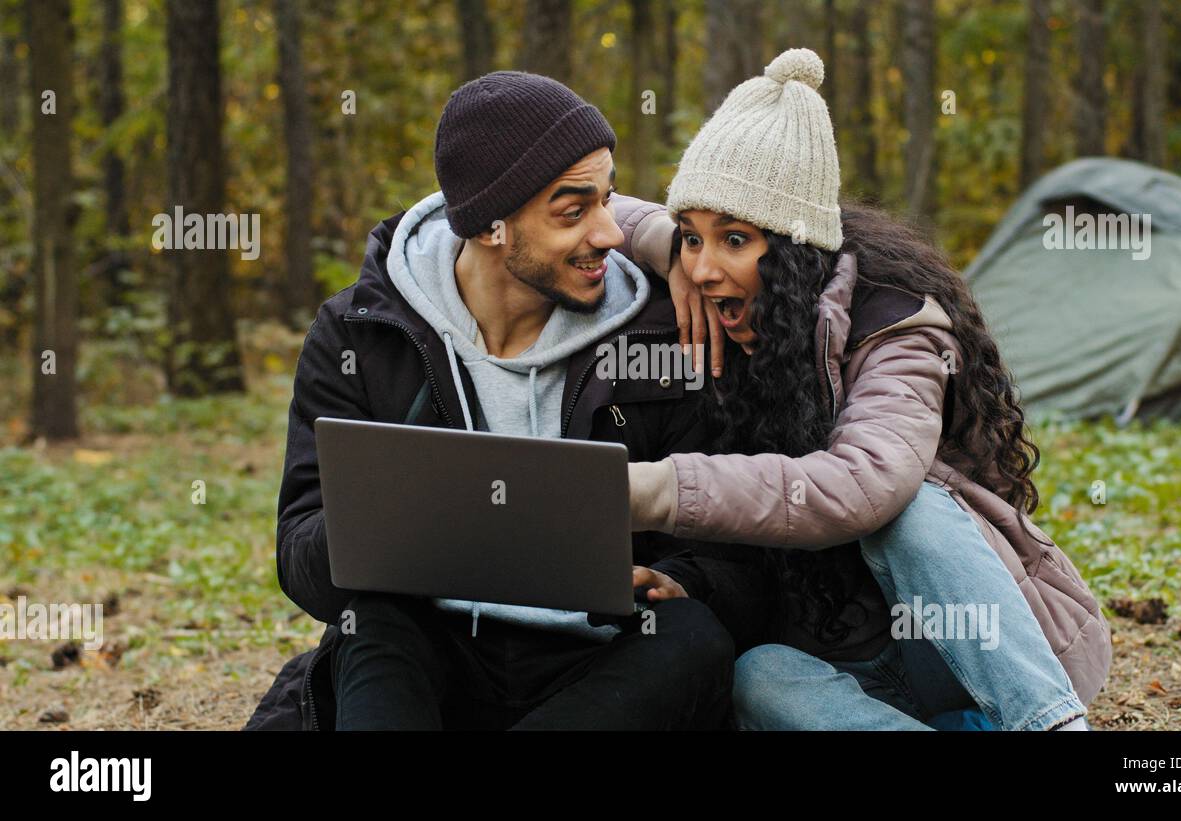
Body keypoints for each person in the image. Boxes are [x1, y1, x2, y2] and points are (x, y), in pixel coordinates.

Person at [245, 71, 760, 731]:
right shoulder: (362, 333)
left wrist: (683, 581)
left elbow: (740, 556)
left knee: (692, 635)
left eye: (607, 199)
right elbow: (301, 558)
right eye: (573, 211)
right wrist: (385, 523)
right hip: (432, 646)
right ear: (491, 227)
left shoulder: (664, 334)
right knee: (371, 620)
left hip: (601, 656)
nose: (609, 232)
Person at [616, 49, 1112, 730]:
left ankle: (1053, 727)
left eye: (734, 239)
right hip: (846, 670)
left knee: (907, 511)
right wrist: (661, 245)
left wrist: (653, 488)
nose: (704, 268)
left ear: (794, 251)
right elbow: (592, 204)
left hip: (956, 654)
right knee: (757, 675)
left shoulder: (898, 326)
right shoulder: (724, 316)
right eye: (692, 239)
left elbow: (862, 485)